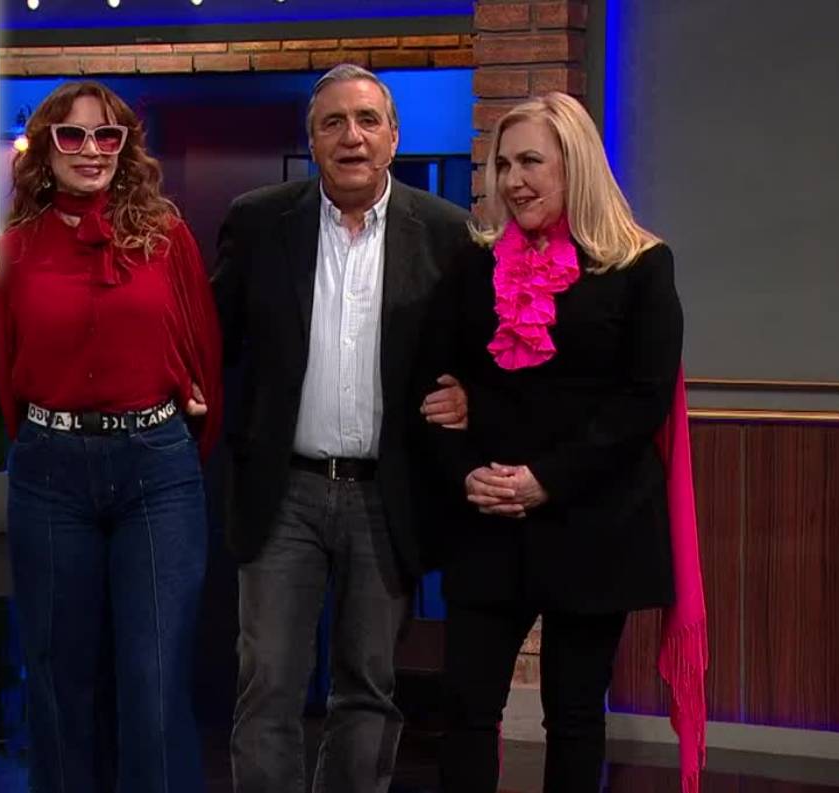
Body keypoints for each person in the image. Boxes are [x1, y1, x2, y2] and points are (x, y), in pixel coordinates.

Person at [416, 91, 706, 793]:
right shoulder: (472, 265)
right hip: (489, 516)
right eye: (503, 165)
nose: (513, 180)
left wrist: (546, 478)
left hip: (593, 519)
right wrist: (466, 474)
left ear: (574, 166)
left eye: (531, 162)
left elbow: (641, 402)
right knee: (467, 708)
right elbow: (434, 386)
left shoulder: (642, 266)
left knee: (574, 714)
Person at [212, 64, 473, 793]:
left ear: (393, 137)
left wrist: (470, 395)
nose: (351, 137)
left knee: (369, 686)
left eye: (367, 121)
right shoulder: (259, 222)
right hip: (283, 490)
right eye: (333, 123)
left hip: (387, 494)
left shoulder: (447, 233)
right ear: (312, 140)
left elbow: (476, 351)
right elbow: (215, 340)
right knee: (267, 682)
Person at [0, 80, 222, 793]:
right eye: (73, 135)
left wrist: (180, 428)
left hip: (158, 470)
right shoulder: (14, 248)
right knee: (60, 679)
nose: (91, 149)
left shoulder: (167, 237)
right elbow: (4, 365)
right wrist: (47, 441)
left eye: (107, 136)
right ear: (46, 148)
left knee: (154, 678)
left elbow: (203, 347)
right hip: (49, 474)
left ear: (125, 148)